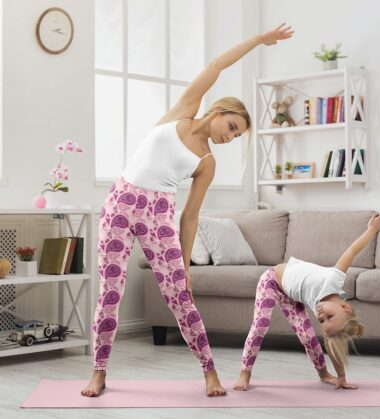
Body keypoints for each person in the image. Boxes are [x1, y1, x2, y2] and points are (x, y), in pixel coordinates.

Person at [81, 23, 294, 398]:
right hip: (119, 203)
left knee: (181, 296)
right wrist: (260, 40)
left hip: (158, 214)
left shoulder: (207, 162)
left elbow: (190, 216)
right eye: (230, 126)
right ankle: (99, 371)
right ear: (217, 112)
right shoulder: (183, 110)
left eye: (236, 135)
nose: (229, 136)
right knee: (110, 292)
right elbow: (216, 64)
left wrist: (186, 265)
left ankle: (209, 372)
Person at [234, 214, 380, 392]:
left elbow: (332, 345)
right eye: (329, 317)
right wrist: (372, 229)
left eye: (323, 322)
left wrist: (342, 376)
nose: (321, 317)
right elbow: (352, 250)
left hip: (291, 297)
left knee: (308, 337)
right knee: (261, 325)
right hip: (271, 281)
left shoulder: (325, 310)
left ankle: (323, 373)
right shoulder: (333, 280)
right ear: (344, 306)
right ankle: (245, 373)